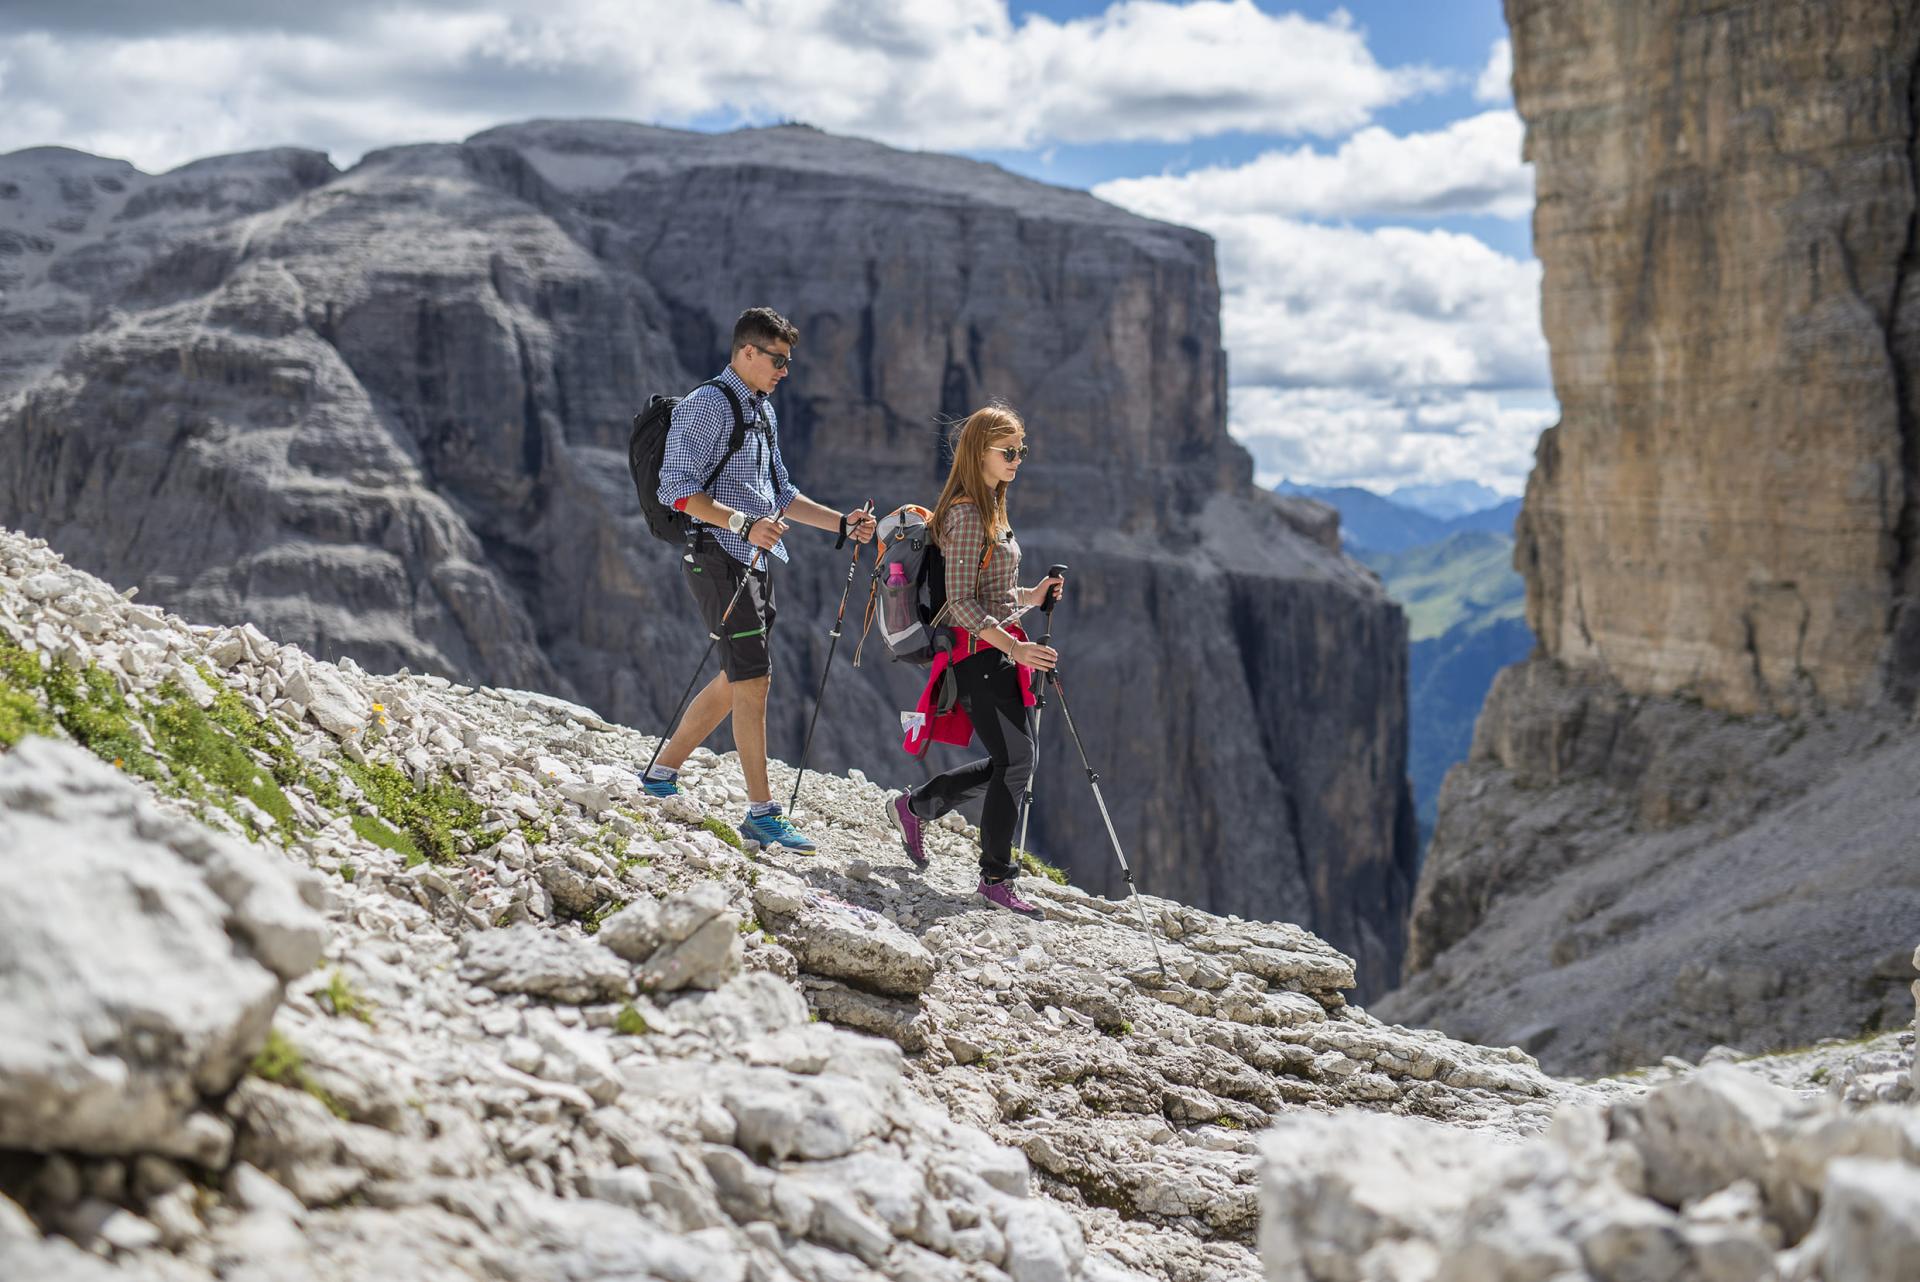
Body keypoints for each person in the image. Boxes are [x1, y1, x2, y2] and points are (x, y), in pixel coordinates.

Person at [643, 307, 876, 853]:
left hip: (754, 561)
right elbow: (673, 489)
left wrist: (842, 524)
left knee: (737, 673)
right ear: (746, 352)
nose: (784, 371)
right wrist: (742, 523)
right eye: (777, 359)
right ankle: (761, 812)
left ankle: (660, 775)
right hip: (718, 557)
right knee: (754, 678)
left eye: (787, 362)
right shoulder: (707, 406)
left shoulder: (761, 412)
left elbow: (782, 495)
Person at [887, 404, 1063, 917]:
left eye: (1021, 451)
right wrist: (1014, 646)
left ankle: (916, 806)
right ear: (978, 452)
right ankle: (995, 878)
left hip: (1000, 651)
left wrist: (1034, 595)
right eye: (1008, 451)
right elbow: (959, 603)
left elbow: (996, 592)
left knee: (1014, 760)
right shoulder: (965, 514)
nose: (1017, 460)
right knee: (1017, 760)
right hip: (979, 658)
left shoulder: (990, 507)